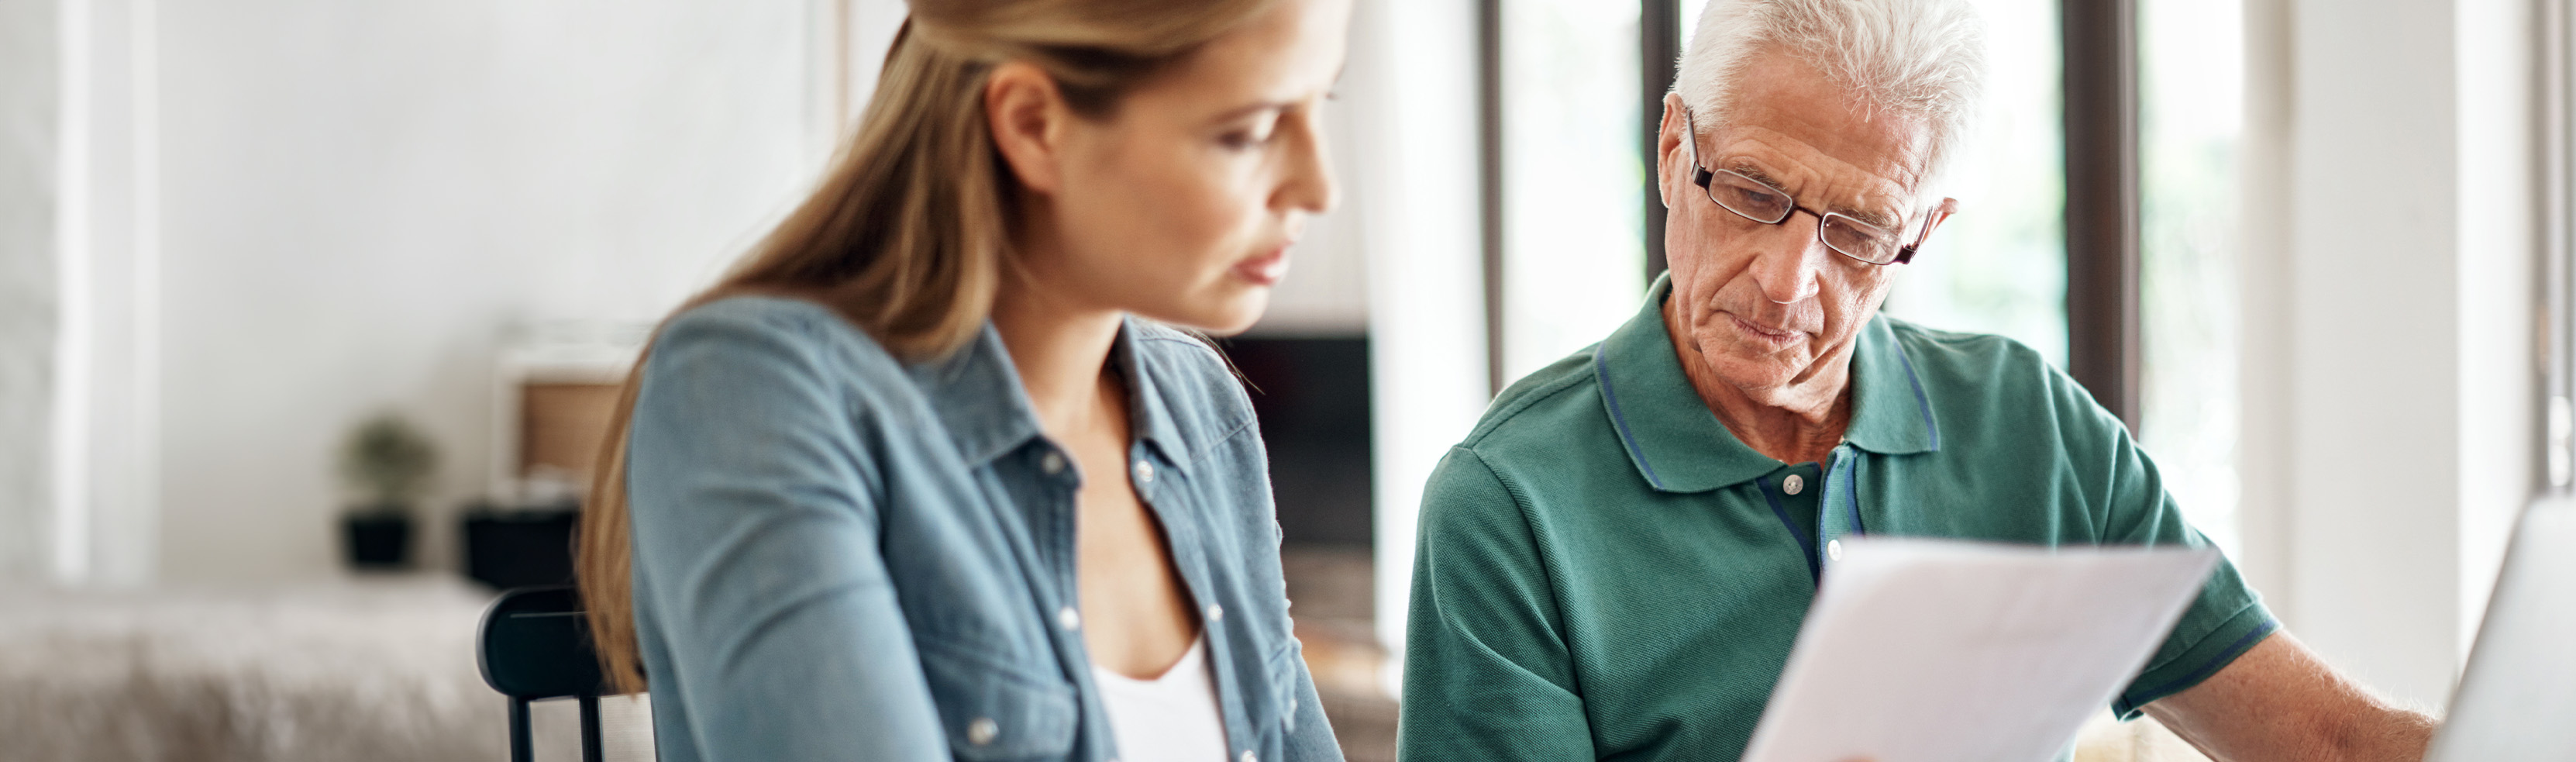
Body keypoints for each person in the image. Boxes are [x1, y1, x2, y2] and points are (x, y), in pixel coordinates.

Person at [1398, 0, 2438, 760]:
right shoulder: (1507, 501)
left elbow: (2327, 739)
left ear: (1923, 232)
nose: (1788, 279)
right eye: (1754, 192)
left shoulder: (2029, 427)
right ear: (1677, 149)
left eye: (1856, 232)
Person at [568, 0, 1352, 760]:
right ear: (1034, 125)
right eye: (1248, 132)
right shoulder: (753, 393)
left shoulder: (1203, 409)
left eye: (1322, 104)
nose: (1320, 188)